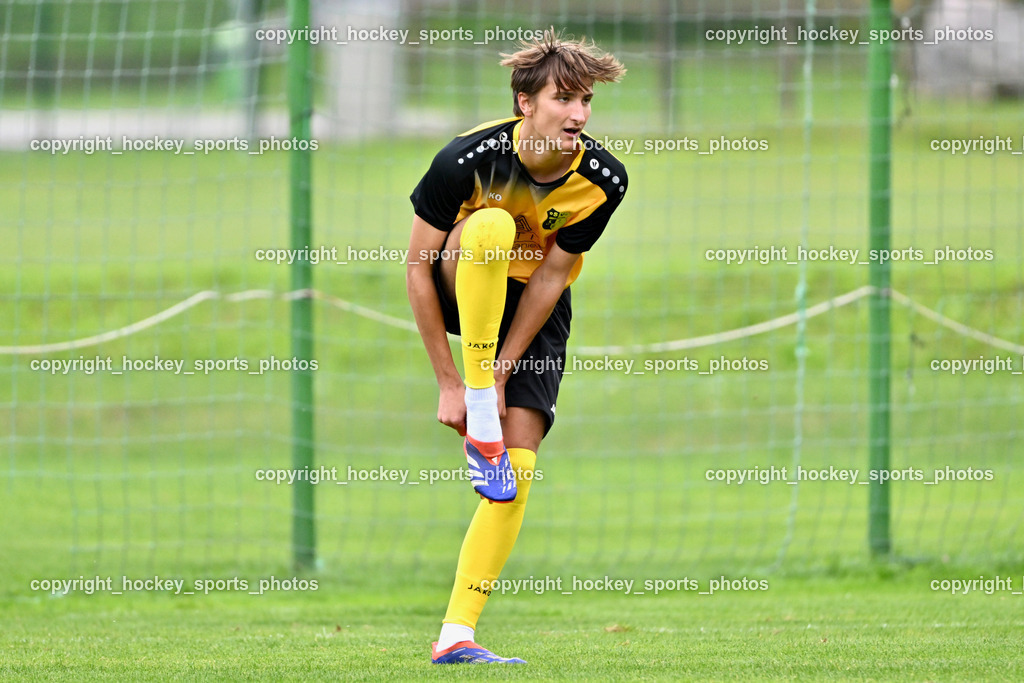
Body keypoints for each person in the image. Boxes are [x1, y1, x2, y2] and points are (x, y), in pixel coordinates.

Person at [406, 28, 627, 665]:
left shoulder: (604, 179)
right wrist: (455, 382)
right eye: (565, 97)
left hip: (531, 306)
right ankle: (478, 408)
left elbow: (554, 277)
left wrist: (504, 371)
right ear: (526, 102)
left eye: (587, 101)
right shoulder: (465, 160)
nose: (579, 114)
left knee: (515, 474)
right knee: (493, 224)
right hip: (459, 277)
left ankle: (456, 635)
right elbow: (418, 267)